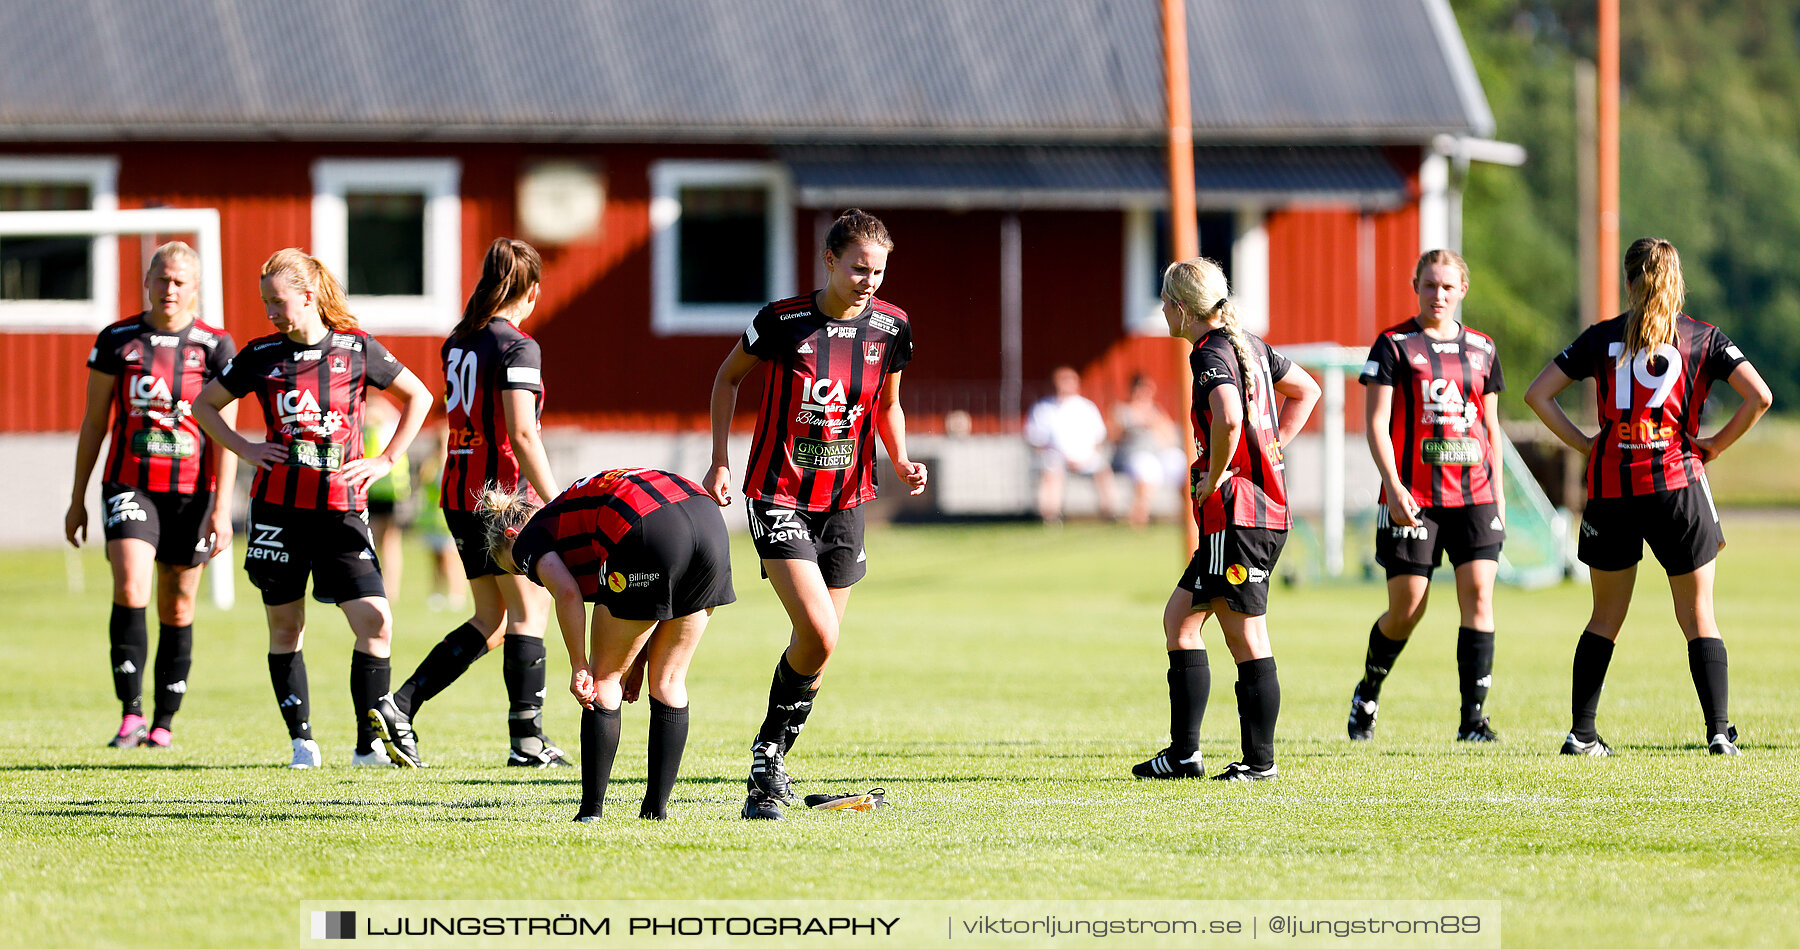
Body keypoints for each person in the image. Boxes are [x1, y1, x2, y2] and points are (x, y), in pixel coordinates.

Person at [705, 209, 927, 820]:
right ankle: (766, 761)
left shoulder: (893, 327)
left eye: (878, 271)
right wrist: (719, 459)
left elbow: (889, 403)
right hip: (778, 494)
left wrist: (901, 459)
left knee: (821, 648)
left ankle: (769, 763)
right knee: (820, 633)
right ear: (829, 261)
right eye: (858, 268)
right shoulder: (782, 320)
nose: (869, 281)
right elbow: (727, 380)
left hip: (848, 503)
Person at [1524, 237, 1771, 757]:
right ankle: (1719, 734)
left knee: (1604, 617)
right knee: (1698, 613)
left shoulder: (1601, 337)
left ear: (1627, 280)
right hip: (1675, 483)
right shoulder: (1702, 337)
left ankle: (1582, 733)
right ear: (1677, 280)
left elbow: (1537, 394)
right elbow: (1760, 396)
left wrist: (1588, 443)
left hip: (1613, 486)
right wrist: (1715, 447)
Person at [192, 248, 432, 769]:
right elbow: (202, 406)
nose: (271, 313)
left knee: (376, 620)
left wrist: (386, 460)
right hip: (279, 513)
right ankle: (301, 741)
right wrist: (246, 447)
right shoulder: (260, 355)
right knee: (286, 627)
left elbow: (420, 397)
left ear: (309, 296)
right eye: (265, 304)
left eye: (278, 302)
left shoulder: (357, 349)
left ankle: (369, 746)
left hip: (343, 510)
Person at [369, 238, 566, 768]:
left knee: (492, 619)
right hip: (503, 497)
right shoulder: (518, 346)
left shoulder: (459, 341)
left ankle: (400, 704)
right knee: (529, 614)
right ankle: (527, 742)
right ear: (532, 291)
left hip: (458, 493)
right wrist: (559, 502)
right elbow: (522, 436)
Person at [1132, 257, 1318, 782]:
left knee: (1245, 636)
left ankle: (1260, 763)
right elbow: (1307, 390)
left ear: (1180, 308)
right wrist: (1271, 449)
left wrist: (1217, 476)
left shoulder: (1211, 352)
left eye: (1165, 303)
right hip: (1247, 514)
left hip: (1240, 516)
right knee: (1180, 620)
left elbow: (1231, 417)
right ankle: (1185, 755)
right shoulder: (1250, 345)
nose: (1163, 312)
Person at [478, 468, 734, 821]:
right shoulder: (568, 508)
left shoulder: (527, 537)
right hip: (708, 520)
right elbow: (654, 602)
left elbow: (566, 592)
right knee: (670, 680)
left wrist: (578, 664)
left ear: (512, 535)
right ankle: (655, 814)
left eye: (523, 571)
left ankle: (590, 813)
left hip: (648, 527)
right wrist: (638, 661)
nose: (533, 576)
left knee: (603, 681)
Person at [65, 242, 236, 749]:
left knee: (178, 604)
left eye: (180, 281)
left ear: (196, 287)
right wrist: (77, 498)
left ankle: (164, 722)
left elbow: (226, 432)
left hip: (193, 494)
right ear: (147, 281)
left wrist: (224, 509)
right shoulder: (118, 341)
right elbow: (95, 422)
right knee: (130, 584)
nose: (170, 289)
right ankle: (130, 714)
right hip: (129, 483)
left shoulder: (216, 346)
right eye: (162, 279)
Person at [1346, 250, 1507, 743]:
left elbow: (1490, 426)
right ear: (1415, 285)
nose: (1438, 295)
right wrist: (1393, 487)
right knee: (1407, 608)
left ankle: (1473, 722)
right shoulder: (1394, 344)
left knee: (1479, 596)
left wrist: (1498, 498)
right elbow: (1375, 423)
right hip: (1413, 496)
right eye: (1429, 285)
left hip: (1475, 494)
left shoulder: (1482, 348)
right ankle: (1368, 691)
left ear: (1463, 290)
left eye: (1448, 287)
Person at [1025, 366, 1117, 522]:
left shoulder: (1086, 407)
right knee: (1051, 473)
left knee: (1103, 470)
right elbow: (1035, 440)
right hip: (1055, 458)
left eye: (1070, 380)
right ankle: (1050, 516)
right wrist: (1060, 456)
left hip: (1085, 458)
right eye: (1063, 380)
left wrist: (1087, 457)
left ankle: (1110, 513)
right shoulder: (1043, 408)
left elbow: (1099, 438)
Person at [1110, 373, 1185, 528]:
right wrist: (1130, 425)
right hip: (1133, 455)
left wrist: (1154, 423)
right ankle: (1138, 519)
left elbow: (1171, 437)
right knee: (1146, 469)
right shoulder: (1123, 410)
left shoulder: (1156, 411)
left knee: (1181, 463)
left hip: (1158, 454)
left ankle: (1187, 513)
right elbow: (1111, 437)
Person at [362, 393, 410, 596]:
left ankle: (389, 588)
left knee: (387, 542)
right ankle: (383, 586)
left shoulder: (383, 423)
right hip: (376, 488)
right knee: (378, 541)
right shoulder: (389, 423)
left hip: (389, 490)